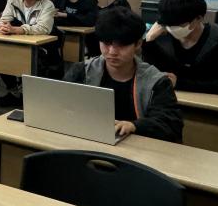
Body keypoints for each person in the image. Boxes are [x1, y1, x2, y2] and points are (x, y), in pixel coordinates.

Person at [65, 7, 183, 142]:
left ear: (138, 44)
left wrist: (135, 126)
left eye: (121, 45)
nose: (112, 52)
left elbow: (171, 125)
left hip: (137, 147)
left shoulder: (156, 82)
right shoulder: (82, 71)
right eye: (106, 43)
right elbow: (61, 106)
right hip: (88, 139)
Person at [142, 0, 218, 94]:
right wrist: (149, 41)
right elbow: (149, 75)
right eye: (168, 24)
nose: (172, 28)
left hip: (209, 101)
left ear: (198, 18)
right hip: (170, 97)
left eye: (178, 24)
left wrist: (179, 83)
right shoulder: (161, 37)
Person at [0, 0, 58, 105]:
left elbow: (43, 28)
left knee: (30, 61)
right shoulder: (14, 0)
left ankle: (29, 96)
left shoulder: (47, 5)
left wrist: (17, 29)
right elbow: (3, 20)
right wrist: (0, 27)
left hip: (42, 47)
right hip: (18, 43)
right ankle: (14, 92)